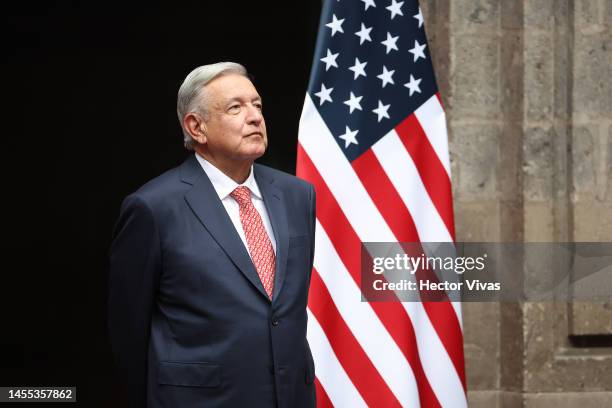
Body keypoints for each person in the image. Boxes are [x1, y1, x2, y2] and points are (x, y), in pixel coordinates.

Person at [108, 62, 316, 408]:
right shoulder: (153, 208)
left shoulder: (297, 196)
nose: (254, 117)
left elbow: (283, 308)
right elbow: (129, 331)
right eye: (236, 107)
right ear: (196, 127)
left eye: (257, 105)